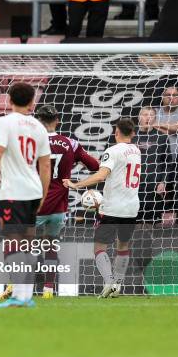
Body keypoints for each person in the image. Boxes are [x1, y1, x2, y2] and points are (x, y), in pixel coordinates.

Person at [0, 82, 51, 308]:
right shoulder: (40, 127)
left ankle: (19, 296)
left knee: (12, 244)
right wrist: (43, 194)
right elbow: (46, 166)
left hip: (13, 192)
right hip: (33, 191)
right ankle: (25, 296)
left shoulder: (5, 122)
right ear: (32, 102)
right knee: (28, 244)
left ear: (9, 100)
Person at [25, 105, 99, 299]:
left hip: (36, 205)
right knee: (50, 246)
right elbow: (95, 166)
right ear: (57, 119)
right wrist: (74, 167)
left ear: (37, 121)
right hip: (59, 207)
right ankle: (48, 289)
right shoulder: (71, 144)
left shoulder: (30, 143)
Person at [64, 118, 141, 298]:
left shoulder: (112, 151)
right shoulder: (136, 150)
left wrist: (76, 185)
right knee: (123, 246)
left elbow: (101, 175)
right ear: (133, 133)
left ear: (116, 132)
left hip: (112, 207)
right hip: (131, 207)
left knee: (99, 246)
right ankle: (118, 286)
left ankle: (109, 281)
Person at [134, 107, 172, 224]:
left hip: (154, 187)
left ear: (155, 118)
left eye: (151, 115)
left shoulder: (162, 137)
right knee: (131, 222)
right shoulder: (131, 136)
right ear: (139, 117)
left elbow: (168, 162)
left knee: (150, 223)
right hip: (132, 186)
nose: (148, 118)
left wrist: (163, 182)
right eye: (145, 114)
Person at [154, 86, 178, 158]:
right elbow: (144, 127)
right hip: (155, 161)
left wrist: (155, 125)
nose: (171, 98)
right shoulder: (153, 112)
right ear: (162, 97)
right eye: (168, 95)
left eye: (175, 95)